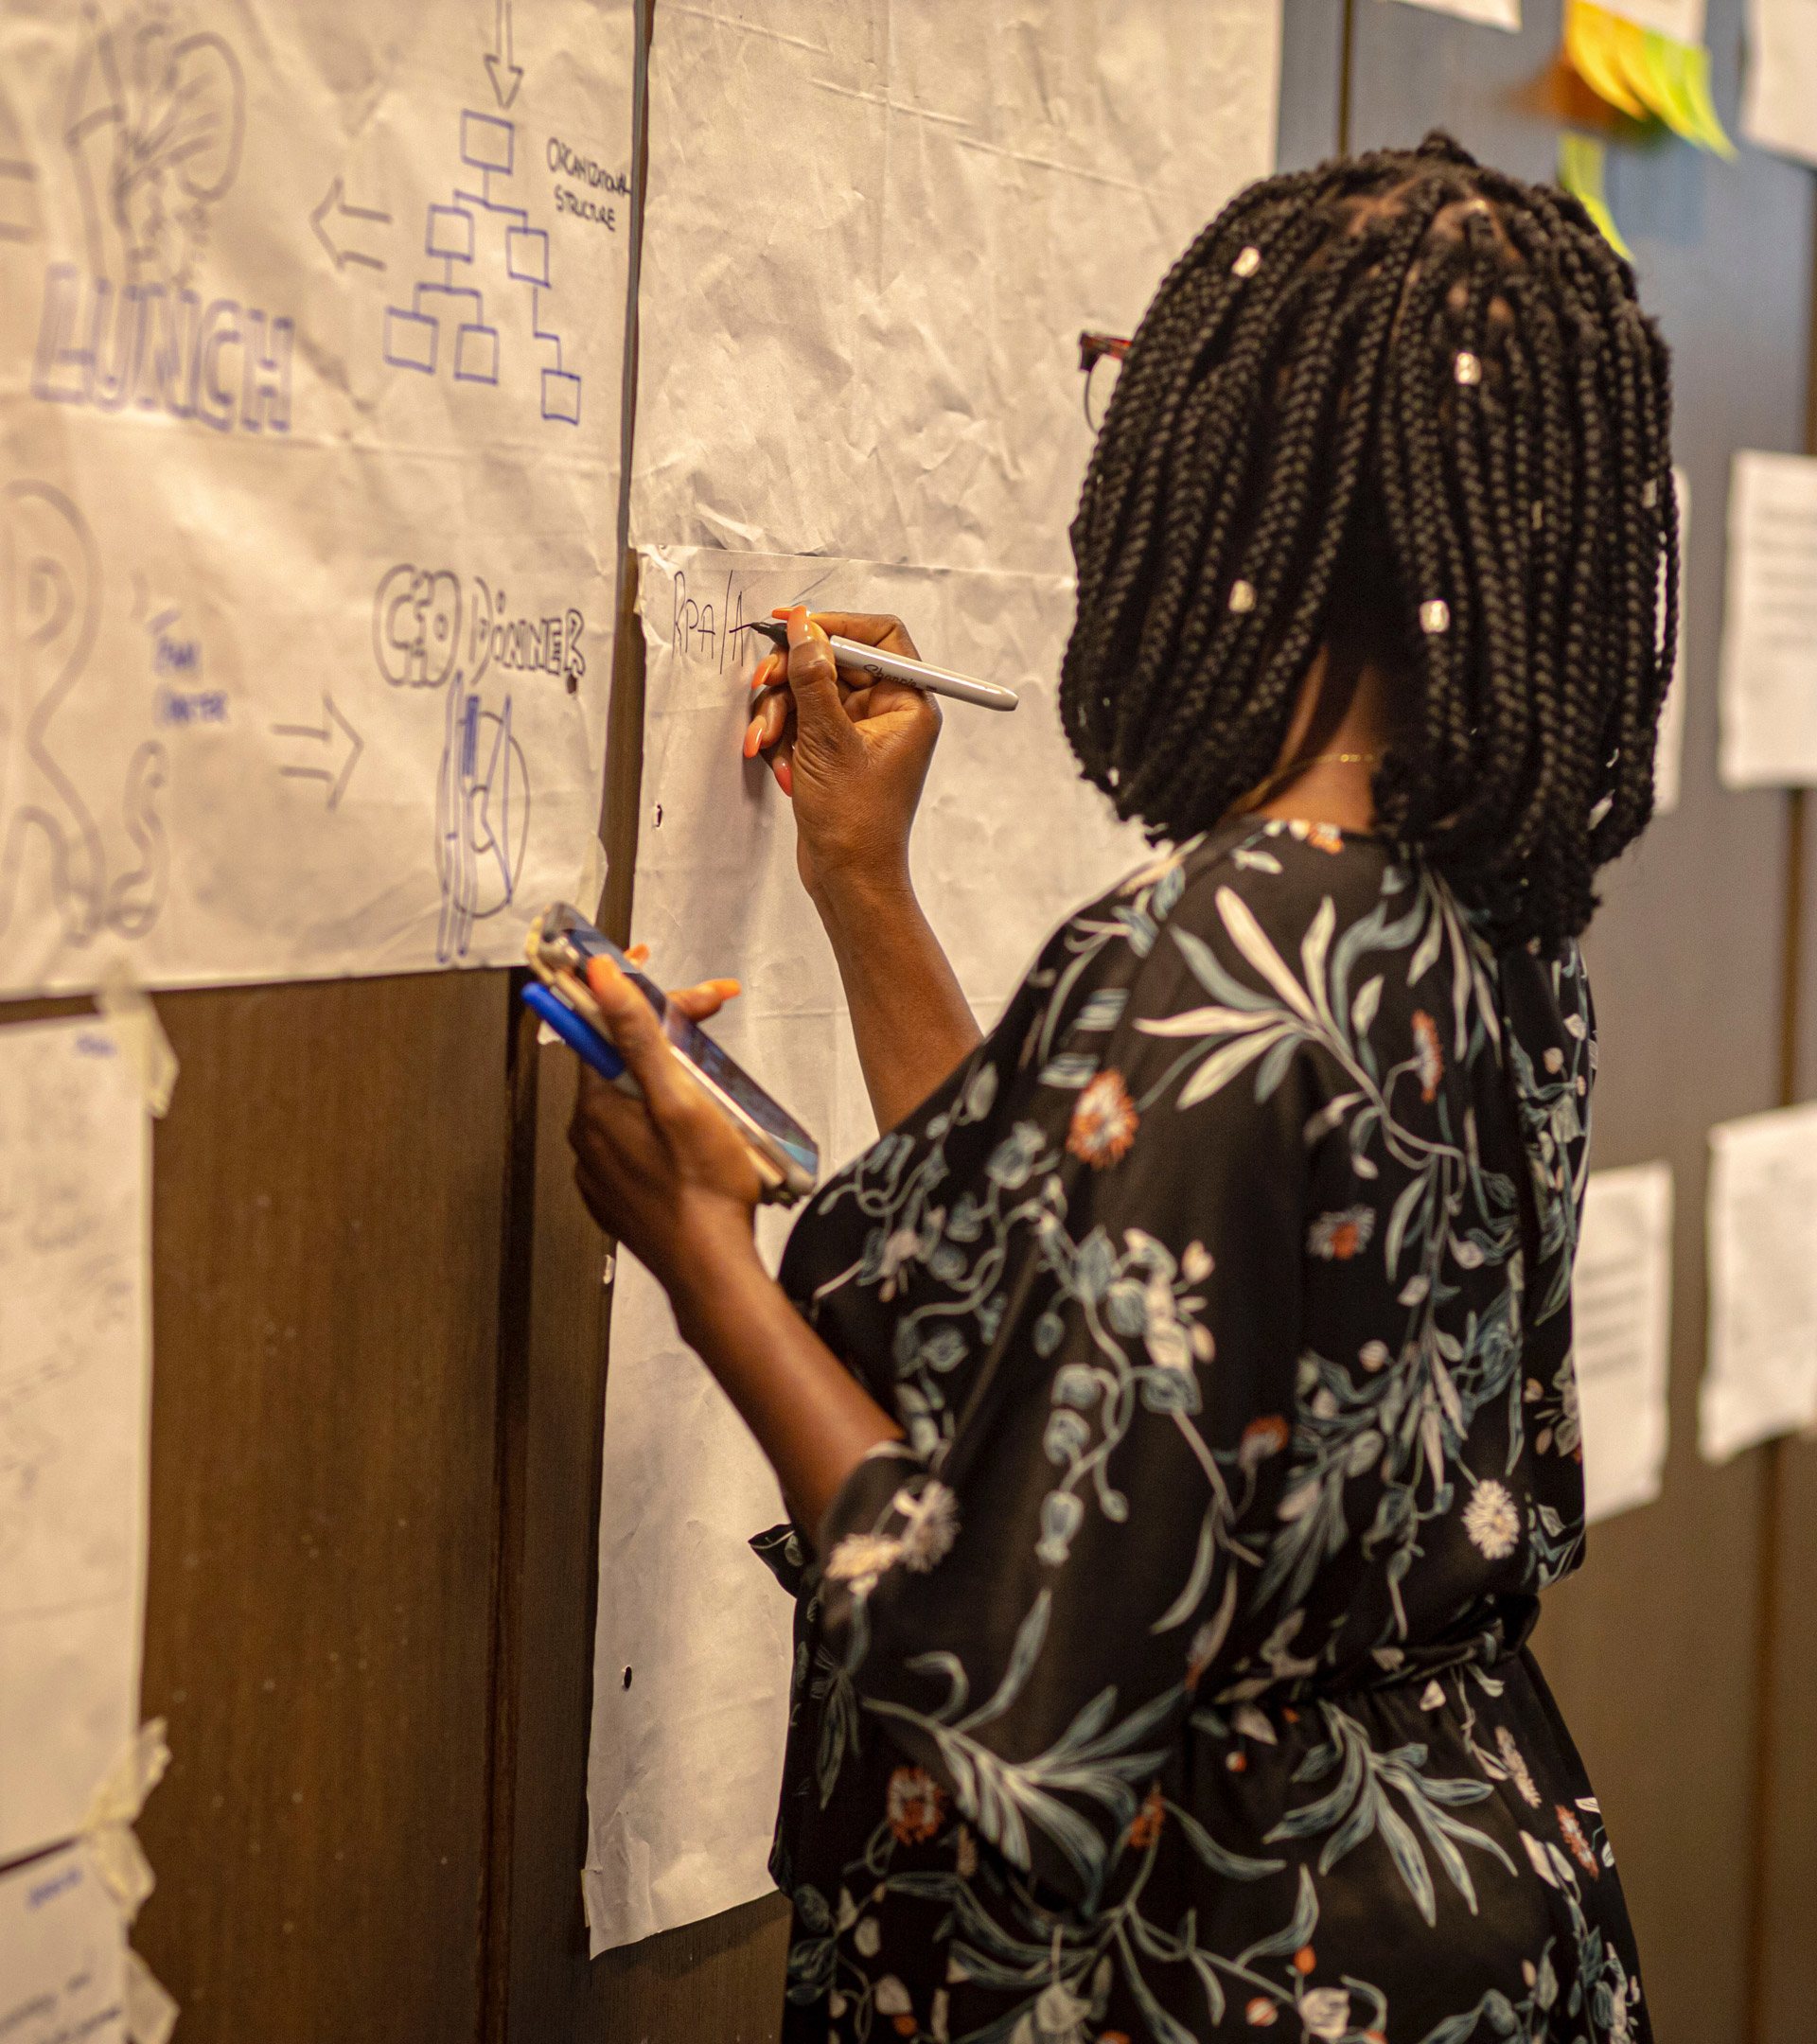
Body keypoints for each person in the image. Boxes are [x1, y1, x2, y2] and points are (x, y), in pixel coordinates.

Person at [569, 132, 1671, 2044]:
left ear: (1253, 489)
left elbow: (1008, 1680)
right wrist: (860, 884)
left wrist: (707, 1262)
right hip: (1473, 1911)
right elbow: (1074, 1290)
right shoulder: (1491, 934)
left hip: (1202, 1959)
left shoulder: (1190, 964)